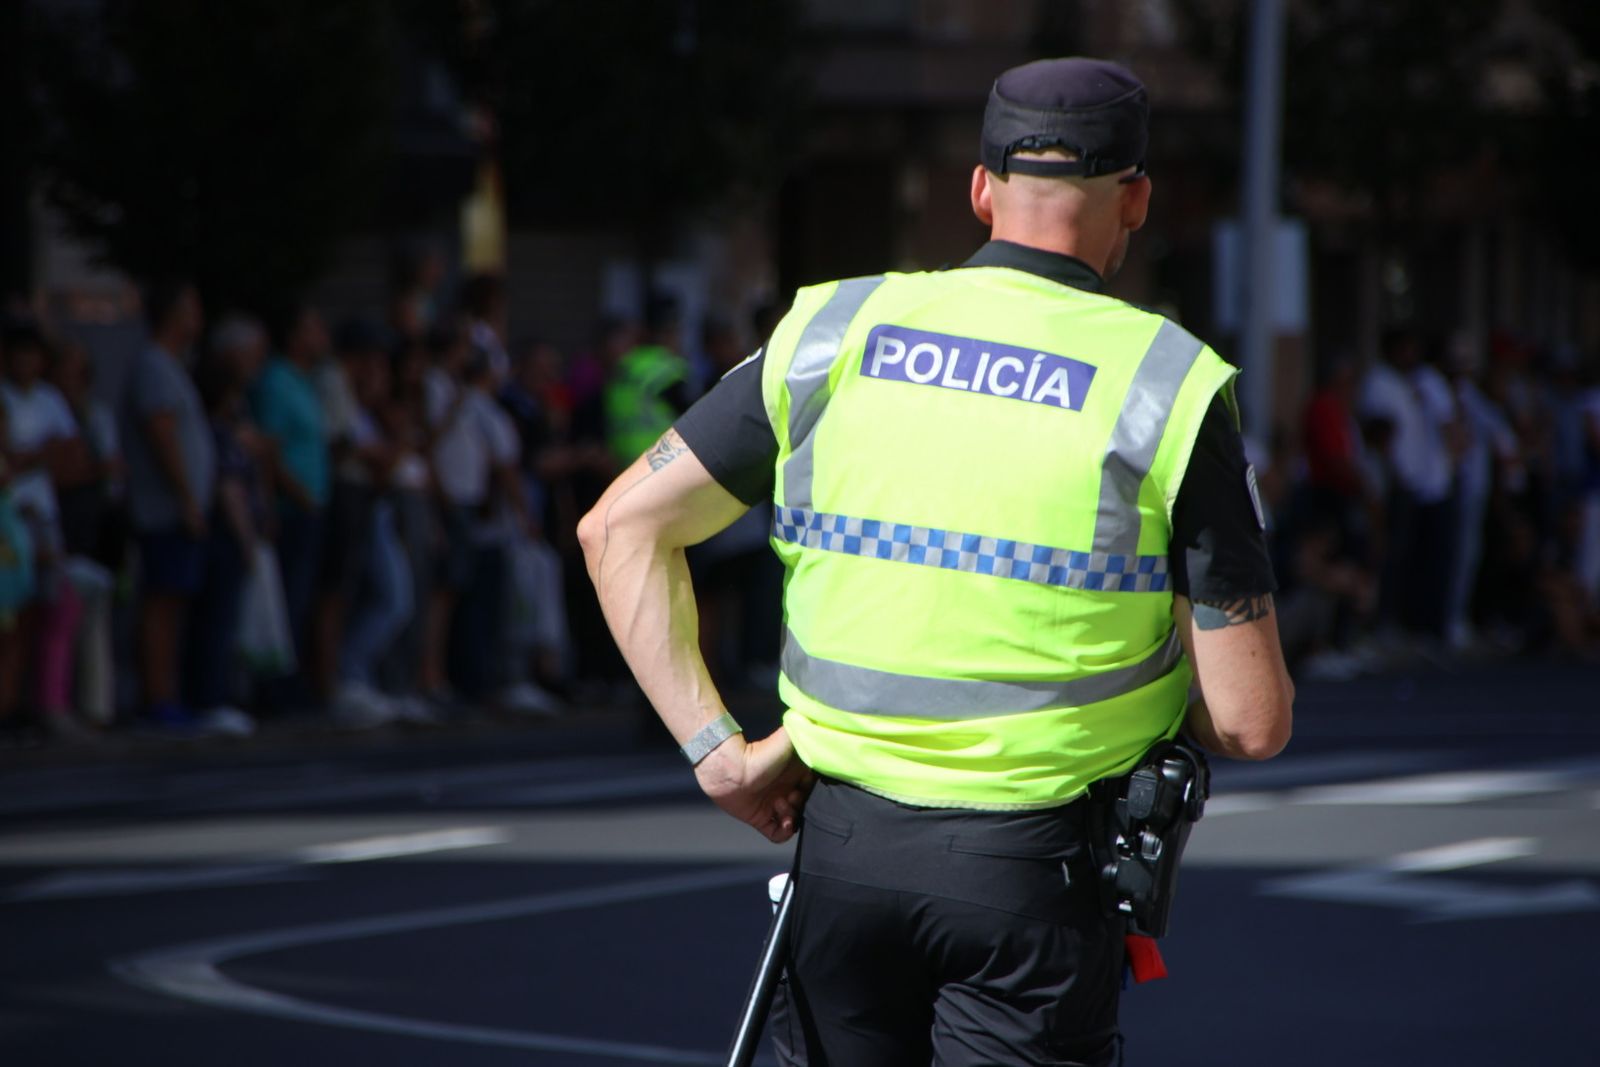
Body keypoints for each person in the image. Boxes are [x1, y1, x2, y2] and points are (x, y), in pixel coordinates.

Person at [578, 57, 1294, 1066]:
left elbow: (618, 530)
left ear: (978, 188)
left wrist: (719, 752)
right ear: (1134, 198)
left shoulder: (829, 330)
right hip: (1034, 873)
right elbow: (1249, 719)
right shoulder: (1167, 383)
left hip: (839, 855)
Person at [123, 281, 217, 731]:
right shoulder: (154, 367)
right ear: (173, 315)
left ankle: (167, 693)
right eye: (192, 308)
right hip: (164, 509)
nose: (198, 319)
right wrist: (185, 496)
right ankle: (156, 697)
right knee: (161, 601)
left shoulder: (170, 366)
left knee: (174, 601)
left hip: (178, 508)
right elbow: (161, 434)